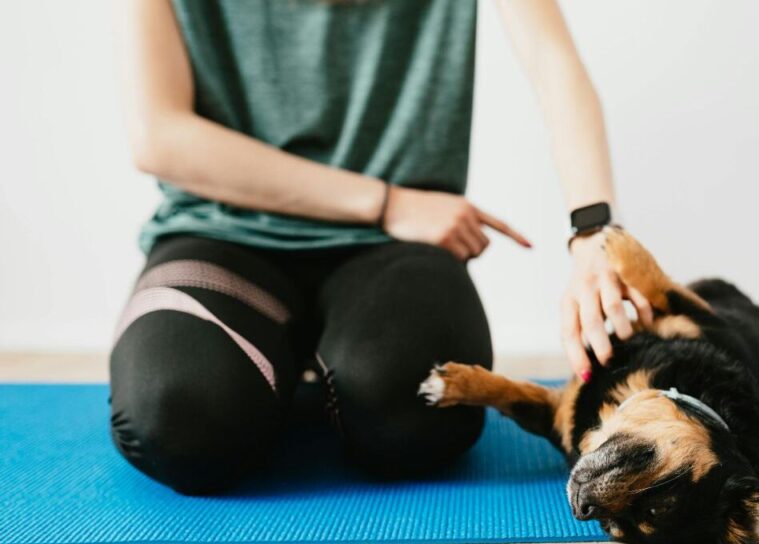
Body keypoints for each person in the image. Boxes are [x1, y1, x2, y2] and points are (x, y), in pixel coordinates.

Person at [111, 0, 653, 495]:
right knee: (177, 421)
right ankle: (277, 380)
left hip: (392, 249)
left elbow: (551, 60)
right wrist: (387, 202)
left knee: (417, 415)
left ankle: (305, 381)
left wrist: (595, 235)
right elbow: (159, 135)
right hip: (220, 234)